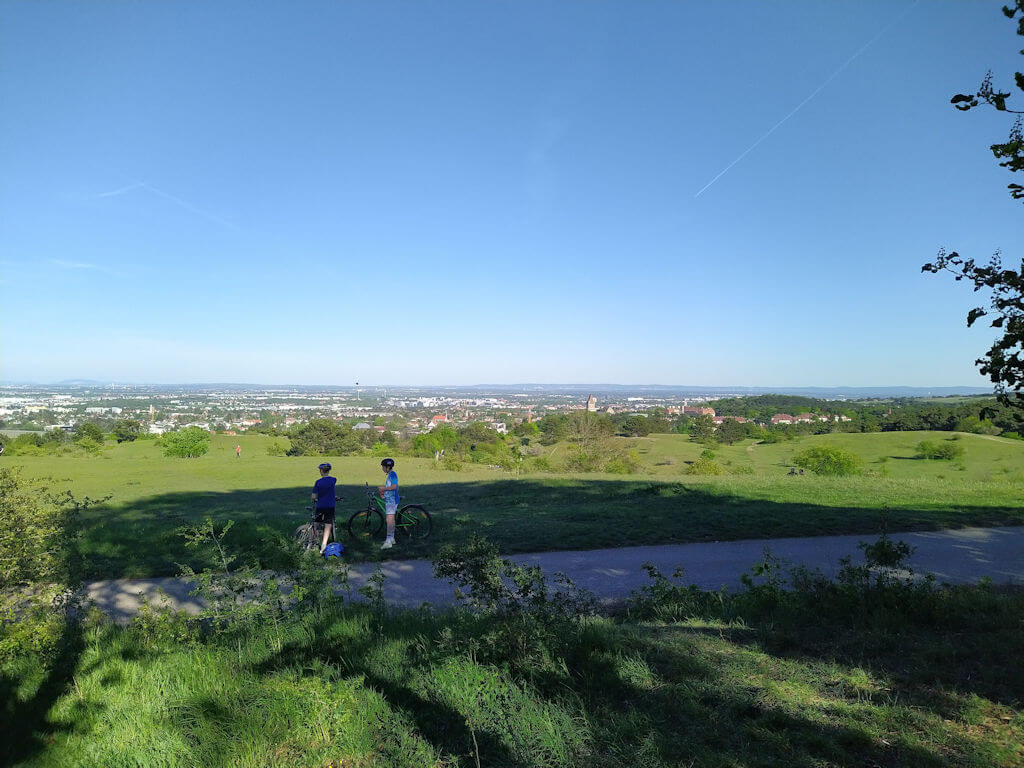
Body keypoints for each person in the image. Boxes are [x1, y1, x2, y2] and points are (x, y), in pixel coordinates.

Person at [311, 462, 337, 554]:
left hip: (320, 506)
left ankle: (314, 542)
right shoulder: (333, 480)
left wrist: (316, 499)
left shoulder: (318, 482)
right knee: (327, 524)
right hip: (330, 506)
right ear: (329, 470)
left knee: (316, 523)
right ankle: (324, 544)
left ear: (321, 471)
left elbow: (313, 497)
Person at [377, 458, 399, 549]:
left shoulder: (393, 475)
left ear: (388, 467)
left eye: (383, 466)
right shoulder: (390, 475)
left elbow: (394, 487)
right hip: (390, 499)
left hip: (392, 501)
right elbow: (390, 487)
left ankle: (388, 541)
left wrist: (383, 489)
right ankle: (392, 538)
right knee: (390, 519)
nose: (382, 468)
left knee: (389, 520)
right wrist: (384, 494)